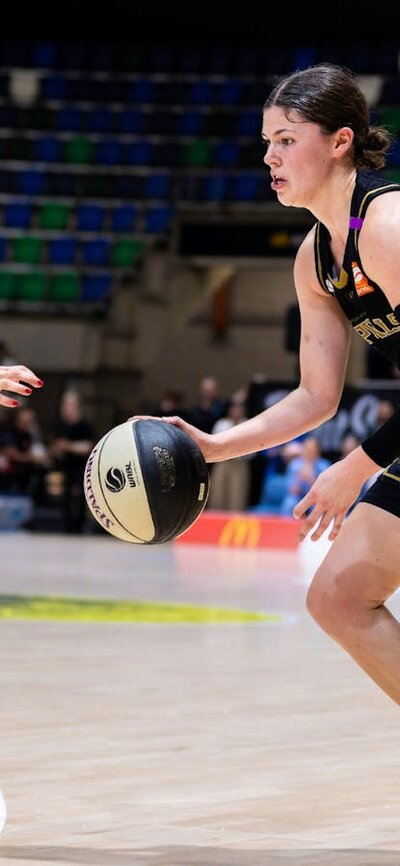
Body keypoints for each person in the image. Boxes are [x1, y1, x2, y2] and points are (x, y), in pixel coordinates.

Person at [130, 63, 400, 706]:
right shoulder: (315, 257)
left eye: (286, 139)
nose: (269, 157)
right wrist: (215, 448)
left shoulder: (387, 226)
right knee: (337, 598)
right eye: (265, 143)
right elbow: (316, 396)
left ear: (340, 142)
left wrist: (354, 465)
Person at [49, 389, 94, 533]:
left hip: (82, 466)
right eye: (66, 404)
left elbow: (88, 447)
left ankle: (79, 527)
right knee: (65, 496)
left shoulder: (85, 424)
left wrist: (68, 446)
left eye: (71, 404)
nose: (68, 407)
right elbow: (53, 447)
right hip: (65, 466)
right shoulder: (59, 425)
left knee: (82, 496)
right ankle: (67, 527)